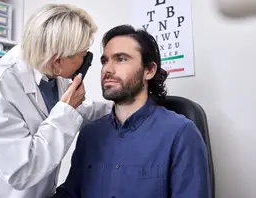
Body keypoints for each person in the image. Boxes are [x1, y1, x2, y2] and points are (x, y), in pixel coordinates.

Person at [0, 4, 113, 198]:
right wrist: (67, 110)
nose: (86, 61)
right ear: (56, 60)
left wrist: (116, 108)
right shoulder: (1, 86)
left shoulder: (51, 73)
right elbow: (20, 171)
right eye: (83, 55)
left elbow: (68, 114)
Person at [55, 25, 211, 198]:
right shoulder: (89, 134)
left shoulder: (181, 134)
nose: (107, 69)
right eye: (104, 61)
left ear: (149, 70)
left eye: (120, 59)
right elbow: (70, 193)